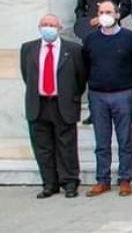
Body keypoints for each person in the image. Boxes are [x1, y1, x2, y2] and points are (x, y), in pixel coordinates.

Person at [21, 14, 86, 198]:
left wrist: (70, 96)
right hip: (39, 103)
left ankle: (70, 182)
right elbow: (27, 75)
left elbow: (80, 78)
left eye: (52, 25)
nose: (48, 28)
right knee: (43, 147)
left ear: (59, 28)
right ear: (39, 27)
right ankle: (50, 183)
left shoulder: (73, 49)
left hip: (62, 103)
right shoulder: (28, 49)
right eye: (45, 24)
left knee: (67, 146)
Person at [82, 0, 132, 196]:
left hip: (123, 94)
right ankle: (102, 179)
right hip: (98, 95)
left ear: (117, 14)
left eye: (108, 12)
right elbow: (86, 66)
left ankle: (125, 179)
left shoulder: (130, 38)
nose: (105, 15)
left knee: (125, 140)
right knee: (102, 142)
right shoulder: (90, 39)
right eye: (101, 12)